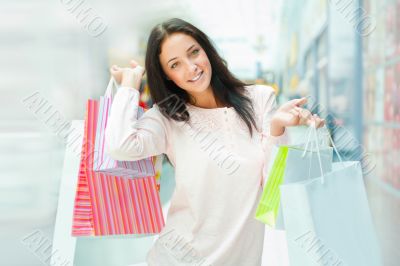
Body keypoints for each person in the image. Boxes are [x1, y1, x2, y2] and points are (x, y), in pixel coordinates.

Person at [105, 18, 324, 266]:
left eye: (194, 52)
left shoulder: (259, 99)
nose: (191, 68)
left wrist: (277, 129)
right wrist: (129, 85)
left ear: (206, 49)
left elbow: (272, 188)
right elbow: (120, 145)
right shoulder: (168, 117)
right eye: (175, 64)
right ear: (166, 75)